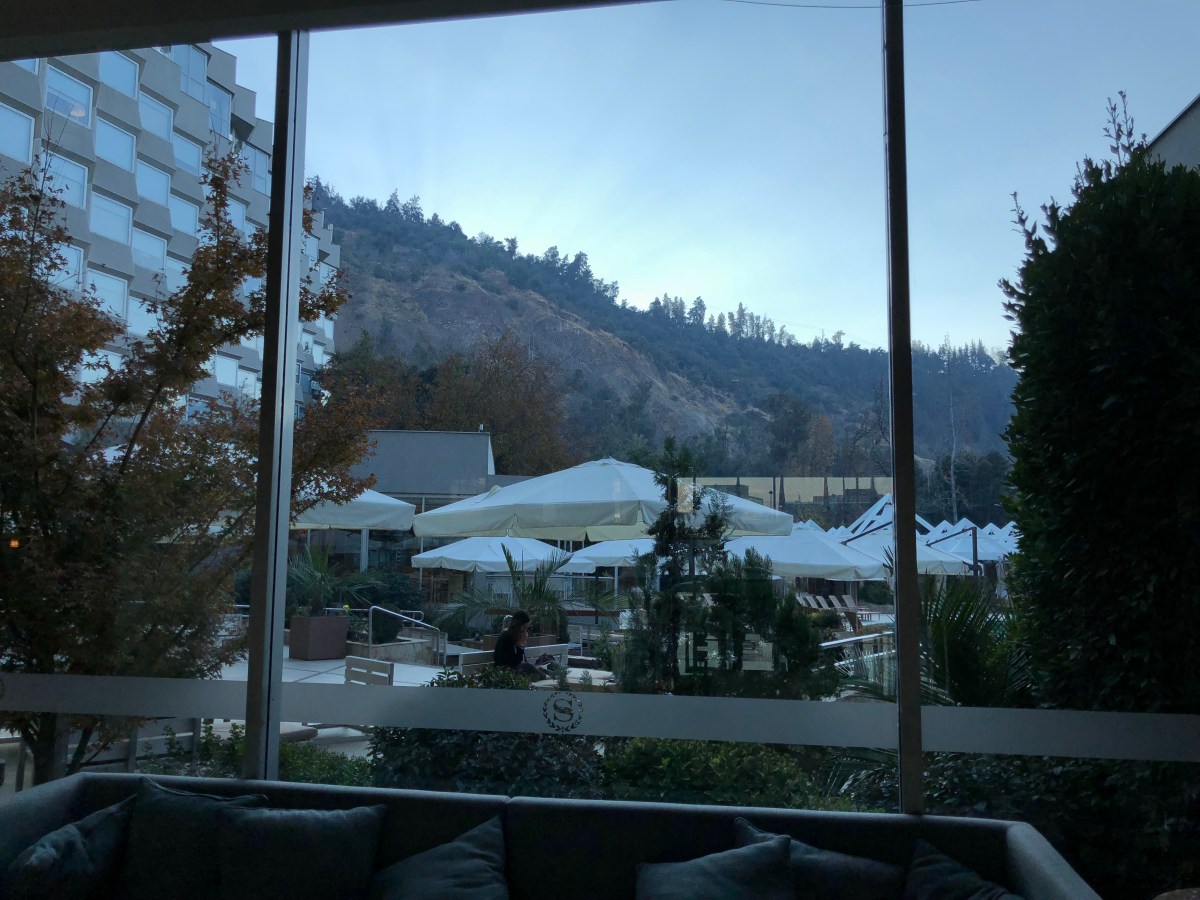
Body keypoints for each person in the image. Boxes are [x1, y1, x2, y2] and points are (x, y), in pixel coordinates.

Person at [493, 611, 547, 677]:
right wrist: (520, 645)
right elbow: (514, 663)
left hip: (514, 670)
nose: (525, 631)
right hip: (505, 672)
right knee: (527, 666)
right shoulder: (506, 637)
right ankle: (546, 677)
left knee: (545, 665)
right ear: (518, 625)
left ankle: (552, 675)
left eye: (527, 628)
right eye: (524, 627)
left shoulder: (515, 636)